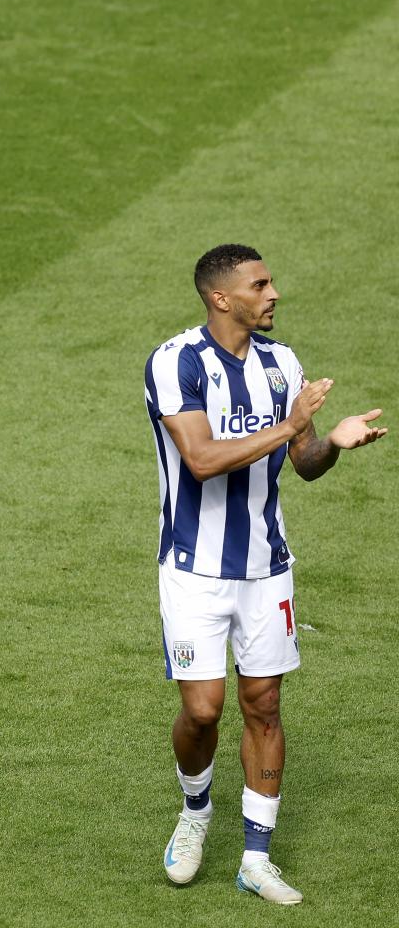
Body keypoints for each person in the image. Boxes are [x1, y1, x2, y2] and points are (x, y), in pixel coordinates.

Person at [145, 243, 387, 905]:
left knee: (265, 705)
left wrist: (329, 443)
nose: (274, 292)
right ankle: (196, 811)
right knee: (202, 710)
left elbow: (301, 461)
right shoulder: (175, 363)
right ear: (222, 298)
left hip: (266, 568)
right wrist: (289, 427)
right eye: (261, 284)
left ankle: (257, 857)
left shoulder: (283, 364)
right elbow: (199, 459)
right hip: (193, 568)